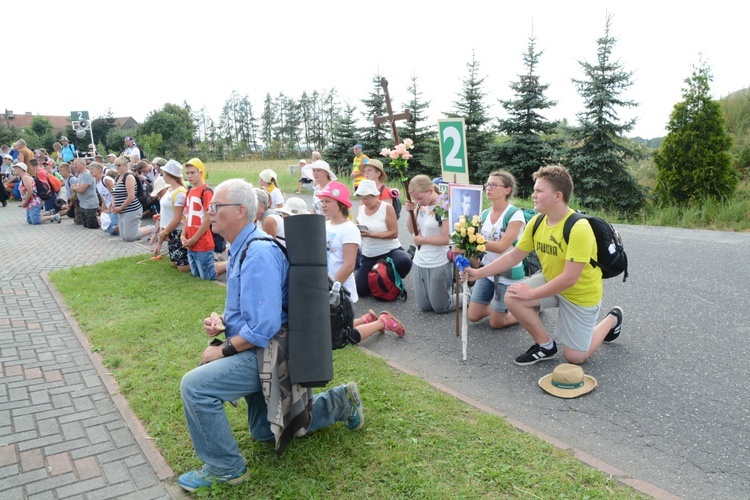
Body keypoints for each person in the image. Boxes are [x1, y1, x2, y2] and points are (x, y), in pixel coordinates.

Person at [177, 178, 365, 492]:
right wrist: (223, 321)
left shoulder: (258, 253)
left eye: (215, 207)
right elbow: (255, 308)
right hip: (260, 346)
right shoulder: (243, 247)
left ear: (239, 211)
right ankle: (340, 402)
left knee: (195, 387)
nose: (209, 212)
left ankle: (225, 468)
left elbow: (263, 329)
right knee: (264, 431)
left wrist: (222, 350)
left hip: (269, 351)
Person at [463, 165, 623, 366]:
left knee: (575, 358)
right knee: (513, 295)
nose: (533, 195)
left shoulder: (579, 227)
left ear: (557, 196)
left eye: (539, 191)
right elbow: (513, 256)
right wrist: (477, 273)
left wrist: (531, 294)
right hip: (551, 280)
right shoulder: (538, 221)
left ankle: (612, 319)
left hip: (580, 293)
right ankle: (545, 346)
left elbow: (569, 278)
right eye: (534, 190)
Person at [466, 170, 525, 329]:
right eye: (487, 184)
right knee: (473, 316)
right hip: (487, 272)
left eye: (494, 185)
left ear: (507, 190)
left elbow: (501, 247)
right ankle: (500, 308)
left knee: (496, 323)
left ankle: (528, 309)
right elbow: (477, 251)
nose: (488, 188)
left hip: (508, 275)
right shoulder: (484, 214)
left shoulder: (515, 215)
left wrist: (472, 240)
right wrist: (465, 247)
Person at [405, 175, 455, 313]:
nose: (418, 201)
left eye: (420, 198)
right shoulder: (420, 206)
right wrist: (410, 212)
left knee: (441, 307)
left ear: (430, 190)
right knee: (425, 307)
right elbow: (411, 229)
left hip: (438, 261)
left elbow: (447, 239)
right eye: (415, 198)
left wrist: (423, 240)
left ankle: (468, 296)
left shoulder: (444, 206)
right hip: (420, 260)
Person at [354, 179, 412, 297]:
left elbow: (394, 233)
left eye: (366, 198)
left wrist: (371, 234)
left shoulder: (386, 207)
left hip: (389, 250)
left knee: (405, 261)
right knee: (361, 290)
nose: (364, 201)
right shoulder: (361, 209)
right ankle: (378, 275)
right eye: (361, 198)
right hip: (369, 254)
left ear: (375, 195)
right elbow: (358, 227)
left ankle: (391, 276)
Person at [182, 158, 216, 280]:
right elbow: (188, 216)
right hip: (191, 242)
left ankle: (224, 264)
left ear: (201, 173)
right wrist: (183, 235)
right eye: (187, 173)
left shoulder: (206, 192)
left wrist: (195, 238)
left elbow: (208, 219)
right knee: (195, 276)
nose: (189, 176)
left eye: (192, 172)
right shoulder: (189, 191)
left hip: (202, 243)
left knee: (206, 277)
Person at [153, 160, 190, 272]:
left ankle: (213, 262)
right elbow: (169, 210)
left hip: (177, 231)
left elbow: (177, 218)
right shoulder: (170, 190)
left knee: (182, 268)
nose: (162, 175)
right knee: (175, 263)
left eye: (163, 173)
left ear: (169, 175)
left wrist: (163, 233)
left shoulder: (179, 193)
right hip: (170, 231)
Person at [111, 156, 153, 241]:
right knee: (123, 236)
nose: (116, 167)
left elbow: (131, 196)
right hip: (121, 211)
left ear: (126, 165)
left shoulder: (129, 177)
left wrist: (120, 207)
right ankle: (138, 230)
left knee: (129, 237)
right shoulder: (117, 178)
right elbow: (113, 193)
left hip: (131, 210)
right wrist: (113, 205)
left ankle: (151, 229)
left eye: (119, 165)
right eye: (115, 165)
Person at [71, 158, 99, 229]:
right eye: (73, 164)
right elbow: (78, 187)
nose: (74, 166)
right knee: (85, 225)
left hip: (90, 205)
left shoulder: (87, 175)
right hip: (83, 204)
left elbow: (81, 190)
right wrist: (76, 187)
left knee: (92, 226)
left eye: (76, 164)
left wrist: (74, 187)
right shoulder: (80, 175)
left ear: (83, 164)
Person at [90, 162, 117, 236]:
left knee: (112, 230)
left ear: (99, 170)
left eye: (92, 169)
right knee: (106, 228)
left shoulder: (106, 180)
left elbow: (114, 194)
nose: (90, 171)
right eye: (89, 169)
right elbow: (103, 200)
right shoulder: (97, 183)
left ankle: (127, 226)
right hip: (109, 207)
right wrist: (101, 215)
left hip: (116, 206)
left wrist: (110, 209)